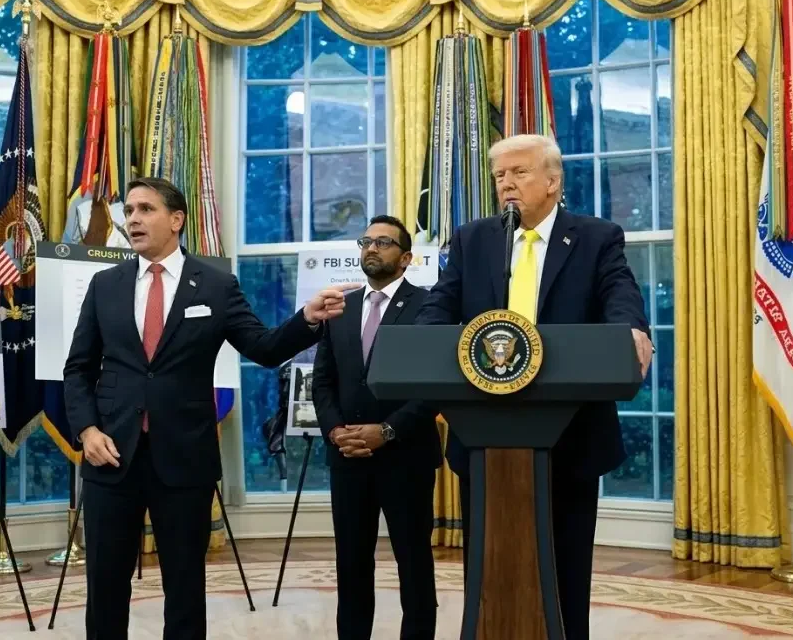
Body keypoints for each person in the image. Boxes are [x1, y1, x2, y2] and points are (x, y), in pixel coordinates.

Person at [63, 177, 360, 640]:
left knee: (184, 583)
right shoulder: (106, 284)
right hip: (110, 455)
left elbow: (262, 347)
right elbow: (78, 368)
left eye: (145, 210)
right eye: (131, 211)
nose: (133, 219)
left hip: (184, 458)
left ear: (176, 219)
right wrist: (85, 430)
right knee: (105, 582)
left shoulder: (218, 286)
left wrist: (306, 319)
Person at [415, 134, 652, 639]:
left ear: (552, 180)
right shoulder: (473, 239)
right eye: (500, 175)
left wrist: (631, 328)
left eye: (519, 173)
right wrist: (426, 343)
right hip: (484, 433)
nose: (507, 184)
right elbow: (441, 305)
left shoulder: (595, 237)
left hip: (569, 434)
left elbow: (619, 294)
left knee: (565, 570)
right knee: (492, 559)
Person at [313, 215, 442, 640]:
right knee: (351, 562)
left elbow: (435, 386)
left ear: (406, 258)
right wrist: (335, 431)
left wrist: (385, 431)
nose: (371, 248)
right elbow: (324, 382)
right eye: (366, 240)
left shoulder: (429, 307)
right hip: (347, 456)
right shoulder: (339, 307)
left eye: (383, 242)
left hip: (405, 456)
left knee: (413, 561)